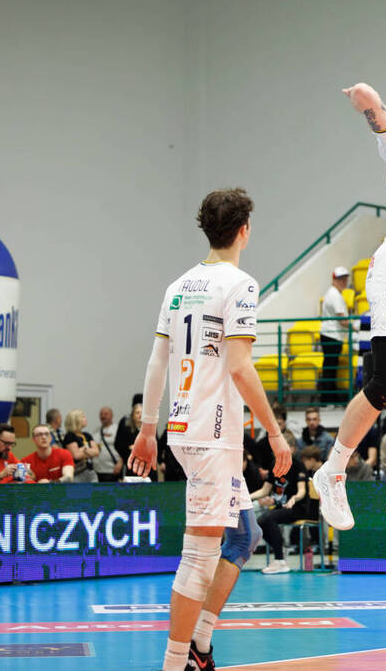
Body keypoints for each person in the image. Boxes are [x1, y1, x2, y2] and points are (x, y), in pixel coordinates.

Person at [127, 188, 289, 671]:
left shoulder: (178, 285)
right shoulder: (240, 284)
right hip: (211, 435)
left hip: (185, 427)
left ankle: (199, 641)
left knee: (244, 536)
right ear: (244, 231)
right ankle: (176, 662)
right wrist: (275, 432)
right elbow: (239, 366)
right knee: (199, 555)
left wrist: (148, 428)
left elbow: (157, 361)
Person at [257, 446, 322, 575]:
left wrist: (294, 498)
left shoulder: (298, 465)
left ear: (291, 449)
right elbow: (265, 490)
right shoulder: (274, 464)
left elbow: (302, 491)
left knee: (268, 518)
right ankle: (280, 549)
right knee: (260, 521)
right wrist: (246, 497)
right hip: (281, 507)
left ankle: (280, 560)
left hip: (298, 508)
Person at [318, 266, 352, 403]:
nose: (344, 281)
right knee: (330, 369)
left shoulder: (332, 293)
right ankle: (328, 399)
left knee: (330, 368)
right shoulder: (335, 295)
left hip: (330, 335)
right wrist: (355, 327)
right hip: (332, 336)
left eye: (345, 278)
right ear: (334, 280)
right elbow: (342, 320)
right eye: (340, 279)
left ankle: (328, 399)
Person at [62, 409, 100, 483]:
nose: (85, 419)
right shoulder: (70, 436)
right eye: (83, 417)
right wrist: (89, 451)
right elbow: (76, 455)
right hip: (77, 472)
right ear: (76, 420)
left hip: (90, 470)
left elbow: (96, 452)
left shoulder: (87, 435)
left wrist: (84, 449)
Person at [96, 406, 121, 481]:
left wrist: (120, 463)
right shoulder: (96, 431)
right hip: (98, 471)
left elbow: (123, 448)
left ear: (111, 415)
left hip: (113, 470)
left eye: (106, 414)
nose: (103, 416)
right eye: (101, 414)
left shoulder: (118, 429)